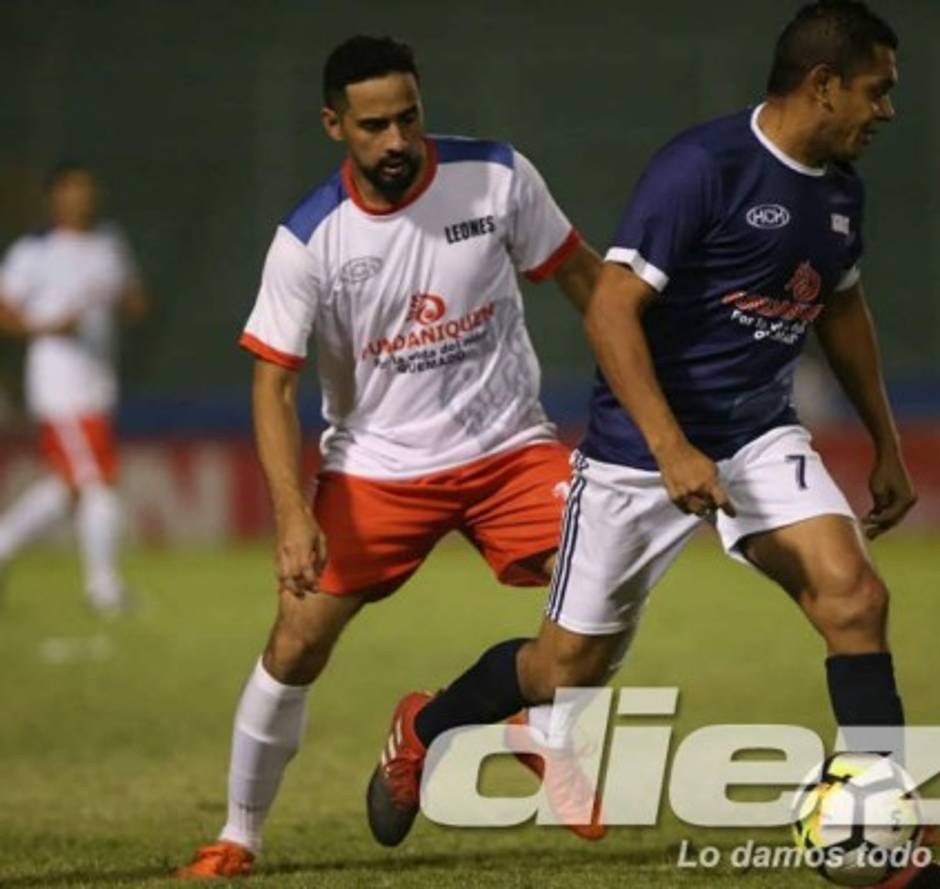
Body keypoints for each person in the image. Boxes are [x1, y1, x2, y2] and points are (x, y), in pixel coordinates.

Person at [371, 3, 940, 887]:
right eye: (875, 90)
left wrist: (886, 441)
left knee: (854, 597)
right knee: (561, 668)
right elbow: (611, 308)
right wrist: (670, 447)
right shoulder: (704, 166)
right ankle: (422, 729)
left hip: (758, 436)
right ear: (823, 85)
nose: (886, 109)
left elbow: (843, 311)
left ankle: (889, 838)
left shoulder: (840, 192)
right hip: (636, 451)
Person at [175, 35, 604, 880]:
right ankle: (237, 835)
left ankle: (523, 728)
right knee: (296, 643)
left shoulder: (497, 176)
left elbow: (587, 282)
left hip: (511, 450)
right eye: (374, 125)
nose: (398, 139)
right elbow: (272, 386)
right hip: (377, 471)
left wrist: (652, 399)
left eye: (409, 117)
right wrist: (292, 515)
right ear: (335, 125)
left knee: (600, 588)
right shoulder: (309, 240)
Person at [0, 164, 147, 614]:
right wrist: (47, 326)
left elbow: (132, 298)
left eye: (86, 189)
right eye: (71, 189)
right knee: (97, 480)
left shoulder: (109, 244)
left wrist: (129, 302)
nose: (81, 198)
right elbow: (5, 312)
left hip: (98, 382)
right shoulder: (33, 252)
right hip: (58, 385)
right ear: (55, 197)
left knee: (68, 485)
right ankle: (103, 588)